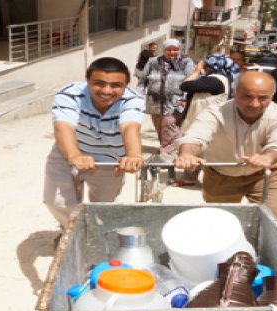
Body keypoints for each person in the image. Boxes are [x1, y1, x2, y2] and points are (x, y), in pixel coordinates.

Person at [173, 71, 277, 221]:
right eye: (247, 96)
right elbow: (195, 136)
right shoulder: (215, 112)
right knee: (221, 223)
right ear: (235, 92)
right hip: (220, 176)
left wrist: (267, 157)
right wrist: (187, 154)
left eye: (263, 98)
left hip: (264, 176)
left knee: (272, 223)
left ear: (272, 96)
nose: (254, 104)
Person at [42, 57, 144, 227]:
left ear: (126, 85)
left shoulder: (133, 100)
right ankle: (74, 233)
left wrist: (133, 155)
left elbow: (130, 128)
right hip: (69, 151)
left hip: (110, 158)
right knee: (57, 202)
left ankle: (96, 236)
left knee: (104, 208)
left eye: (116, 86)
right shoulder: (70, 94)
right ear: (87, 80)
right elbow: (63, 127)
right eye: (99, 83)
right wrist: (74, 155)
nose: (106, 90)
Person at [138, 38, 196, 182]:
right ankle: (167, 156)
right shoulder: (153, 62)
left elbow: (192, 81)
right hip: (154, 104)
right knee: (162, 133)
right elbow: (142, 81)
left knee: (170, 133)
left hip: (175, 105)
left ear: (179, 49)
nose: (172, 52)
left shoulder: (186, 63)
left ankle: (164, 163)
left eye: (175, 49)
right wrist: (138, 98)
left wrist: (185, 99)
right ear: (163, 50)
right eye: (169, 49)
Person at [174, 56, 231, 186]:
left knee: (199, 149)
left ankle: (206, 179)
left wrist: (197, 71)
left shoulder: (215, 81)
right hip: (205, 119)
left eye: (205, 66)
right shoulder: (221, 80)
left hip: (205, 121)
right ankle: (190, 177)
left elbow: (185, 85)